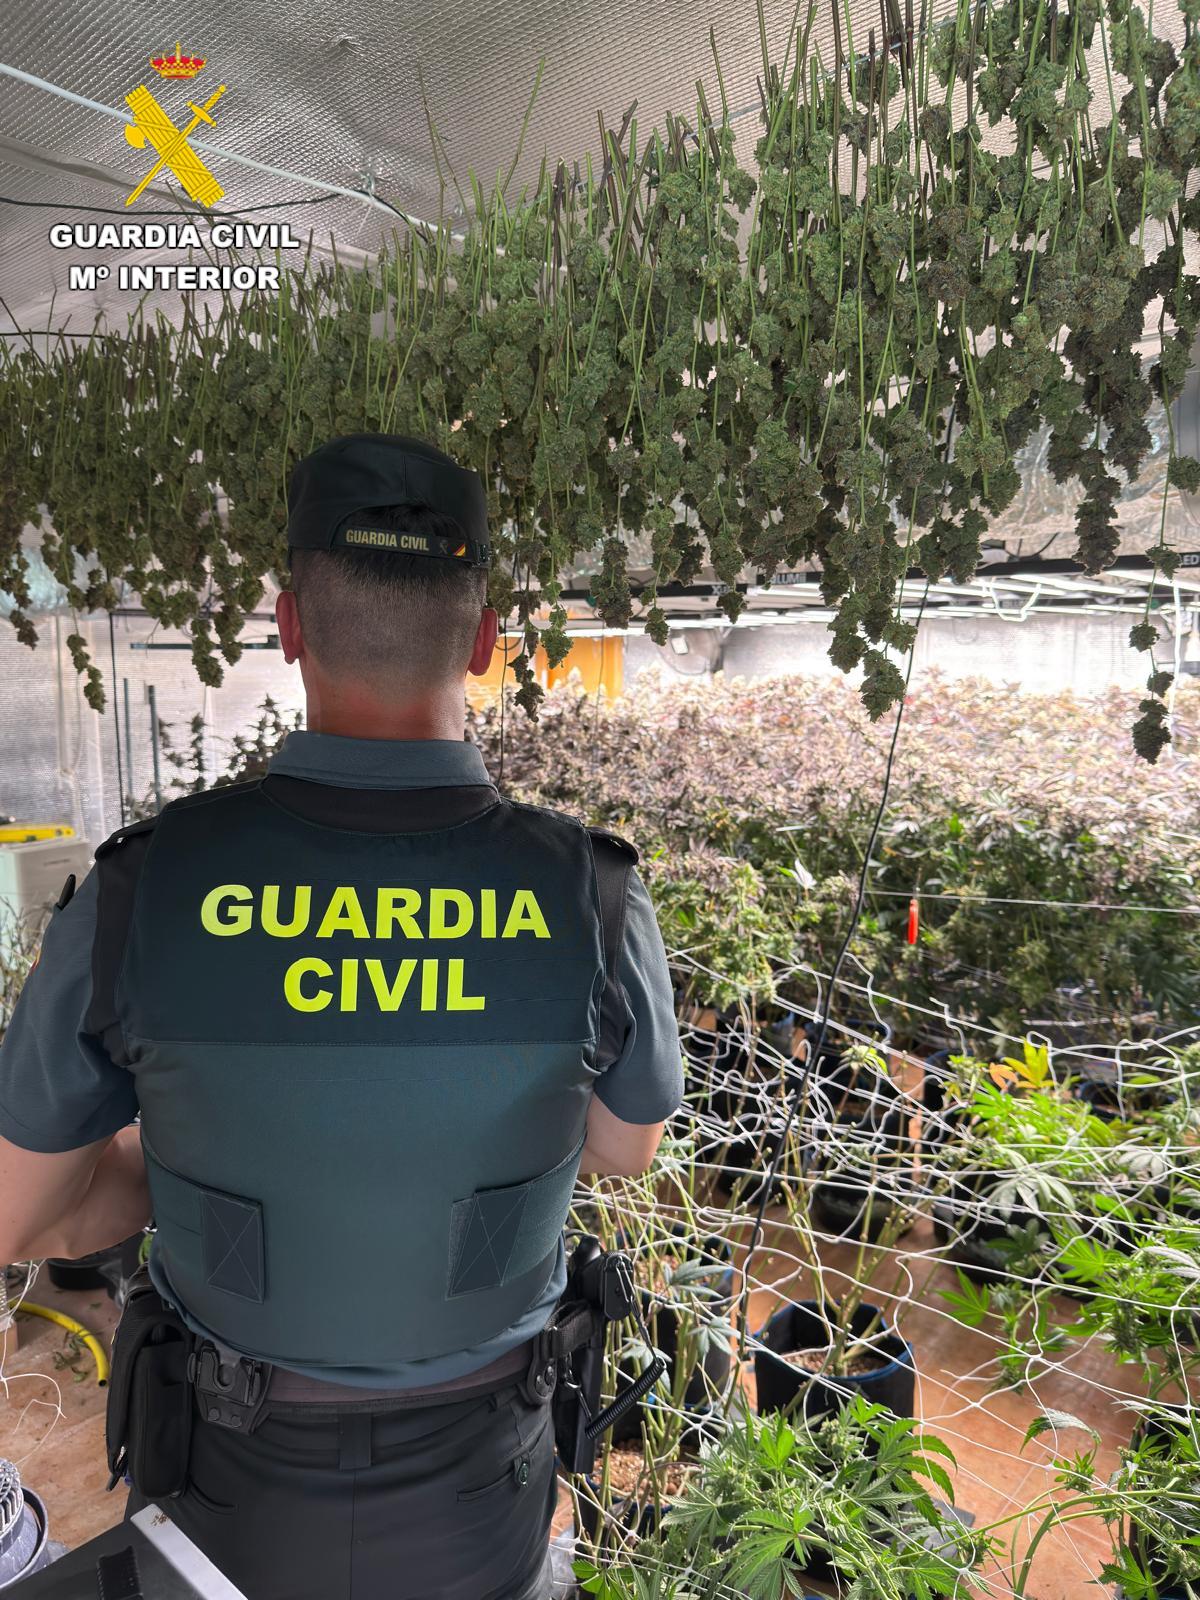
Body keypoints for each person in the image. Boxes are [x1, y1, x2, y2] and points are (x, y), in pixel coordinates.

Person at [0, 434, 684, 1600]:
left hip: (228, 1501)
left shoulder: (139, 891)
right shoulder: (594, 896)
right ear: (482, 637)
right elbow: (624, 1148)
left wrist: (212, 1163)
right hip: (483, 1500)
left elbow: (26, 1209)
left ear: (289, 626)